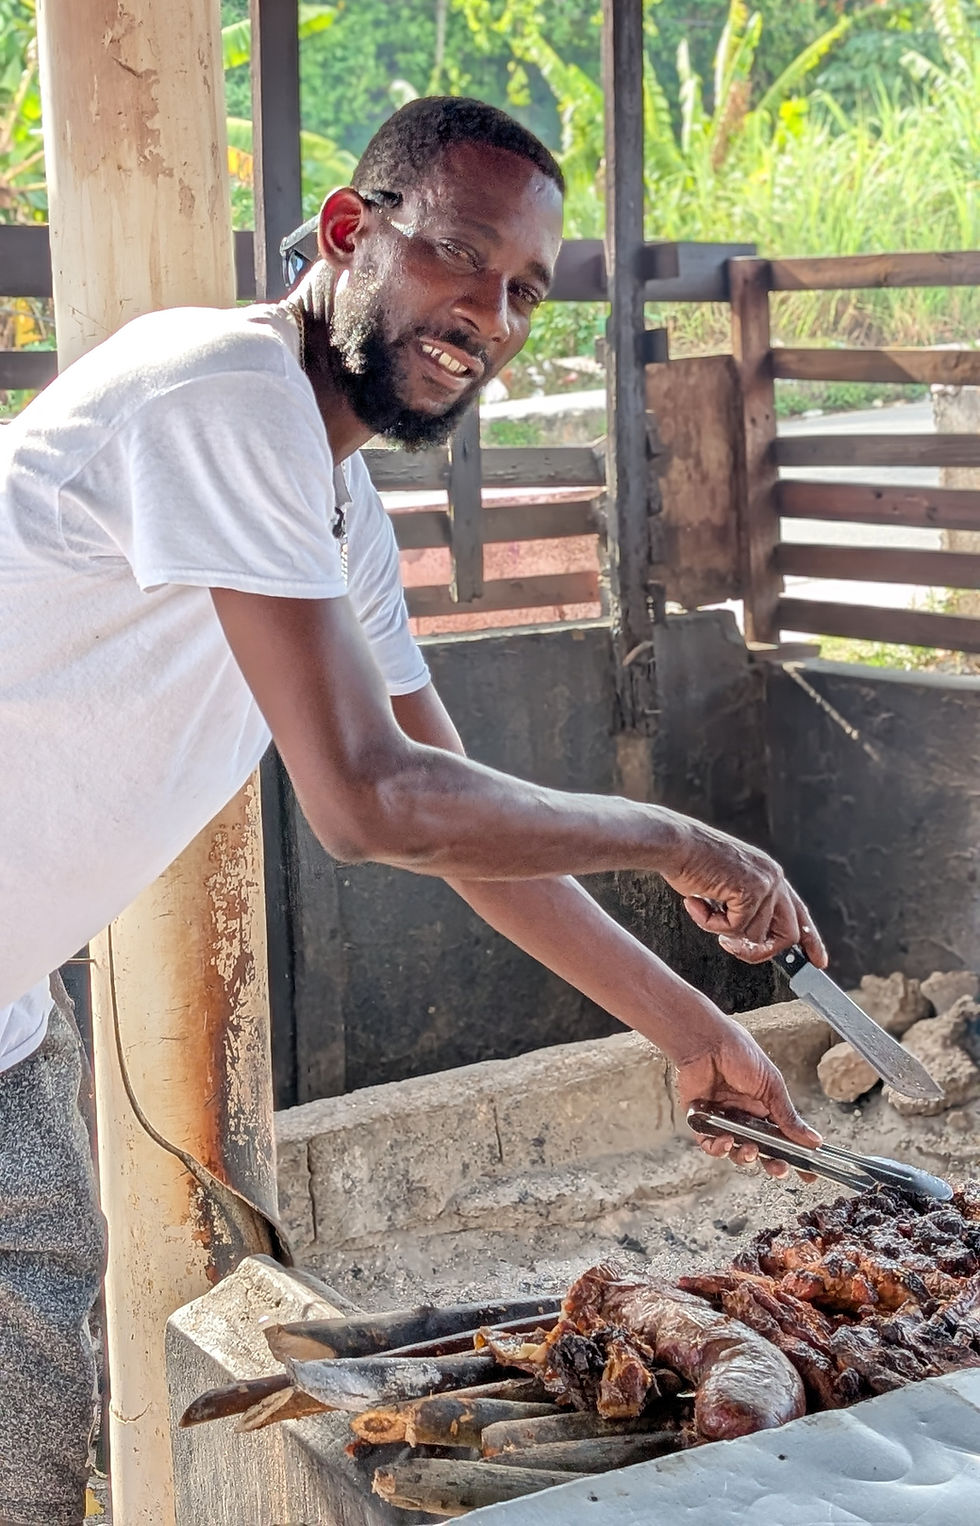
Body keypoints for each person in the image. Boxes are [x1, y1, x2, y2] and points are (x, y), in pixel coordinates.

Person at [0, 96, 825, 1523]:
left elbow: (459, 827)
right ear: (344, 232)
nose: (490, 319)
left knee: (23, 1447)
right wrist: (680, 839)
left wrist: (694, 1032)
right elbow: (372, 805)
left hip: (12, 1018)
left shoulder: (337, 509)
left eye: (523, 293)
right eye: (459, 258)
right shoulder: (222, 389)